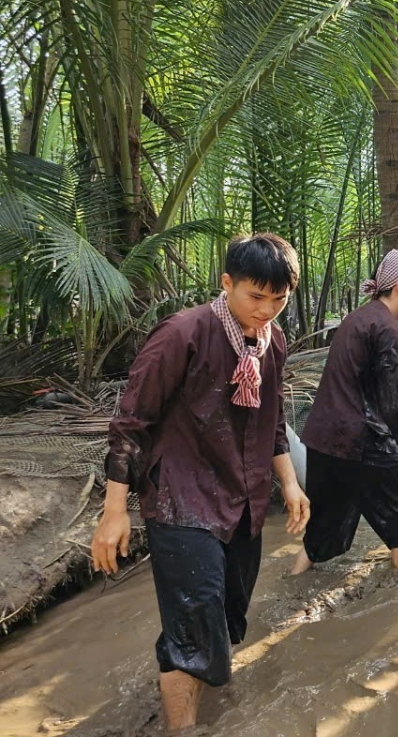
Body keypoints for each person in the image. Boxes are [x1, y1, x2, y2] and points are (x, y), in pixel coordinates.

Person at [91, 235, 310, 732]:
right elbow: (131, 423)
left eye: (279, 300)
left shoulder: (273, 341)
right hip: (180, 497)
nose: (267, 310)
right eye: (256, 297)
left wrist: (290, 486)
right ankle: (182, 727)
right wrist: (114, 511)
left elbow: (272, 422)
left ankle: (197, 700)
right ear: (227, 283)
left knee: (226, 620)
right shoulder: (182, 333)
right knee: (194, 624)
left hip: (244, 498)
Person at [293, 251, 398, 577]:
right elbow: (394, 400)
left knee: (327, 522)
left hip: (322, 440)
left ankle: (293, 581)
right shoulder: (386, 329)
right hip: (357, 439)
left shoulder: (360, 317)